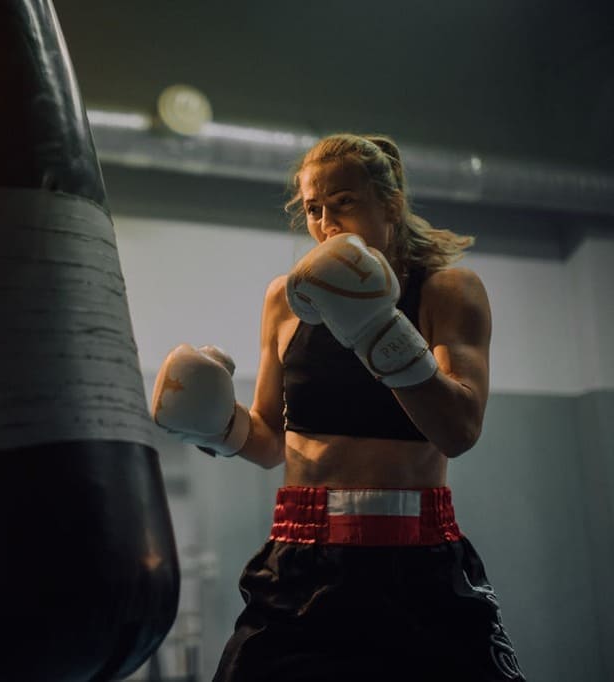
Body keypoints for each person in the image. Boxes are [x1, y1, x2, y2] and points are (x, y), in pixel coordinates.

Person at [151, 133, 526, 681]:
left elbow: (460, 429)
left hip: (414, 561)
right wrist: (216, 425)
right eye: (313, 208)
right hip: (300, 560)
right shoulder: (285, 298)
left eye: (344, 202)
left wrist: (378, 328)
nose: (326, 222)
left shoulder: (447, 289)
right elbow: (269, 441)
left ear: (390, 202)